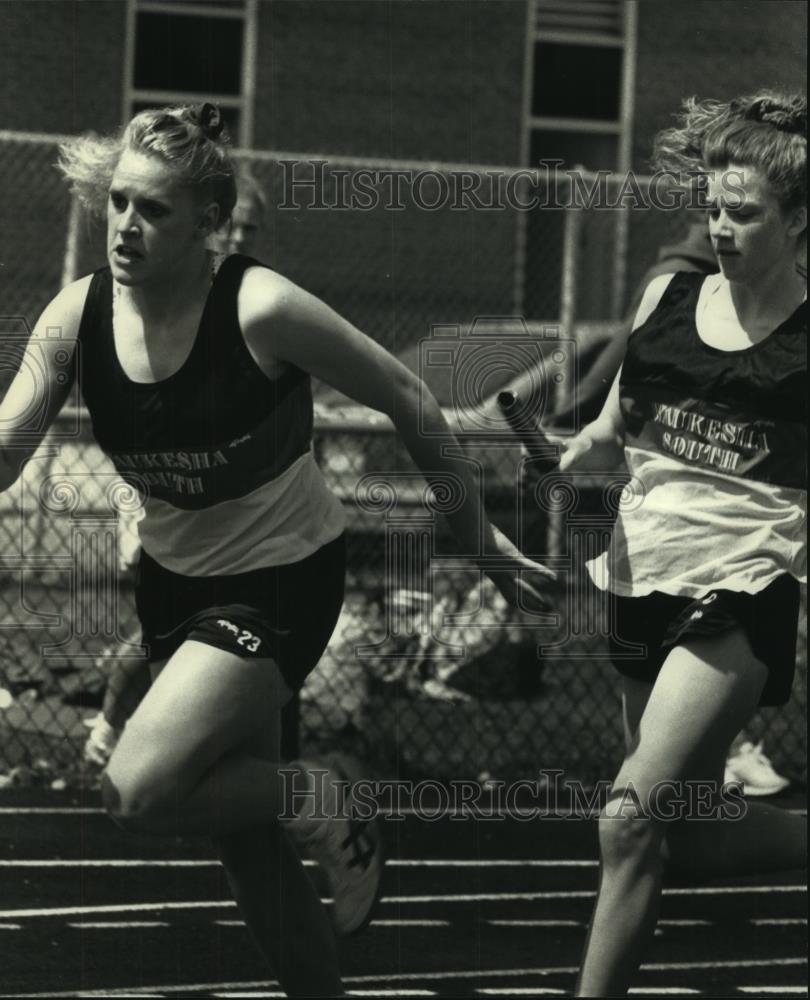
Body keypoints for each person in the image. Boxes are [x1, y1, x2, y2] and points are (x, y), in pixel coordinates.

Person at [0, 103, 555, 997]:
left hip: (280, 583)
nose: (126, 227)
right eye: (117, 203)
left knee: (138, 790)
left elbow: (408, 393)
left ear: (209, 225)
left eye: (153, 210)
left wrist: (478, 540)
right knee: (246, 840)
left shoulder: (259, 308)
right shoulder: (76, 316)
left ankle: (326, 795)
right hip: (174, 587)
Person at [550, 92, 807, 997]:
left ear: (798, 220)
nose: (724, 228)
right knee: (689, 834)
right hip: (641, 569)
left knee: (626, 819)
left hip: (743, 587)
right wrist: (586, 440)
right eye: (714, 208)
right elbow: (626, 413)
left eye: (747, 214)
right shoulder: (669, 295)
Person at [84, 162, 272, 767]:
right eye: (236, 225)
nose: (242, 237)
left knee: (221, 637)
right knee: (162, 627)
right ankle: (112, 729)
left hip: (232, 507)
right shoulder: (162, 289)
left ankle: (176, 745)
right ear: (208, 221)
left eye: (254, 227)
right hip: (168, 491)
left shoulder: (254, 296)